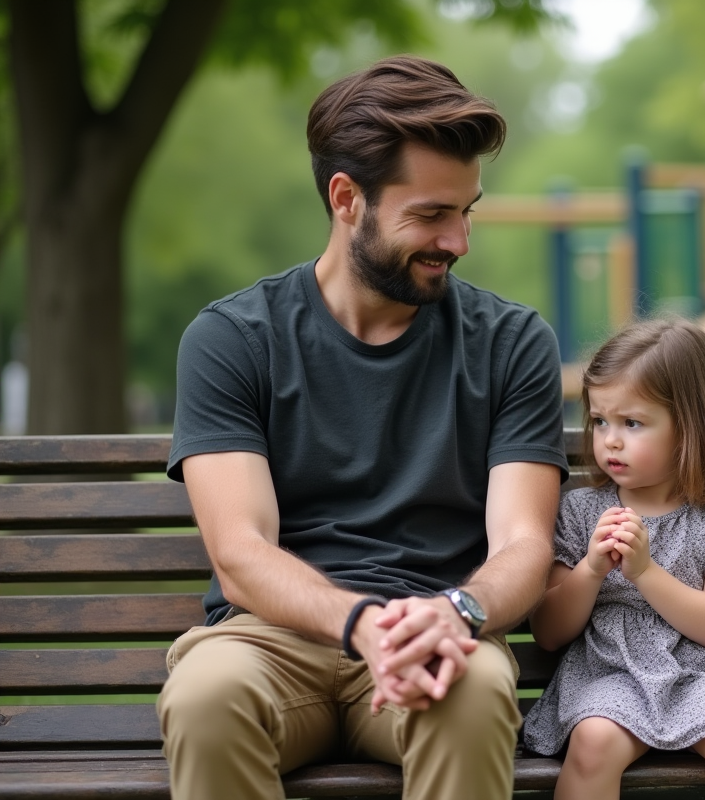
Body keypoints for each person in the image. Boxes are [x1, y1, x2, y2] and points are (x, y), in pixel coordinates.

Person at [156, 55, 568, 800]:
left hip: (440, 629)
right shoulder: (233, 339)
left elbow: (524, 545)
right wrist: (360, 625)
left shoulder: (512, 343)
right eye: (432, 214)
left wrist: (457, 611)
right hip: (270, 642)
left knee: (472, 696)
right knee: (204, 696)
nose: (459, 241)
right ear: (347, 199)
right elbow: (242, 551)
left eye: (466, 210)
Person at [523, 318, 705, 800]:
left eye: (632, 423)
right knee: (594, 741)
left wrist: (644, 572)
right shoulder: (580, 512)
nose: (610, 440)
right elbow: (550, 631)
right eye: (600, 421)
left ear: (690, 429)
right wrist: (592, 569)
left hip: (702, 674)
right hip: (607, 674)